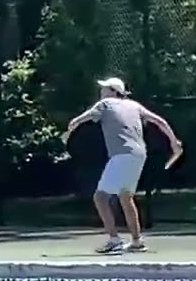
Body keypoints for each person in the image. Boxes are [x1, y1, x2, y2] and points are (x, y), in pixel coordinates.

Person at [62, 77, 183, 254]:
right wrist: (174, 142)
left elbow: (78, 120)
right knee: (125, 197)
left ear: (113, 91)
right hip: (139, 154)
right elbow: (160, 122)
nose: (102, 91)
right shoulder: (134, 105)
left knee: (100, 197)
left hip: (122, 155)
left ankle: (114, 240)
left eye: (105, 88)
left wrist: (69, 131)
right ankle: (137, 241)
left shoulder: (105, 104)